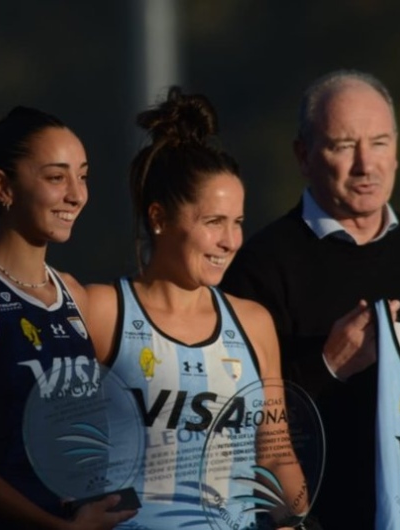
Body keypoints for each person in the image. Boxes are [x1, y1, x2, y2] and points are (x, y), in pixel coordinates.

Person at [220, 69, 400, 528]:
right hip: (318, 517)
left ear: (396, 151)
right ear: (303, 155)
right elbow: (230, 419)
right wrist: (326, 366)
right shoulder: (261, 264)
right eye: (342, 145)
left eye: (379, 142)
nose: (365, 164)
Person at [86, 86, 309, 530]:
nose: (230, 241)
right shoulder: (101, 310)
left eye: (238, 223)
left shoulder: (253, 323)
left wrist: (297, 518)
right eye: (213, 223)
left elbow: (276, 453)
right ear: (159, 218)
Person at [0, 107, 136, 530]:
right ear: (3, 185)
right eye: (57, 178)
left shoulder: (74, 294)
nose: (77, 194)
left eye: (83, 175)